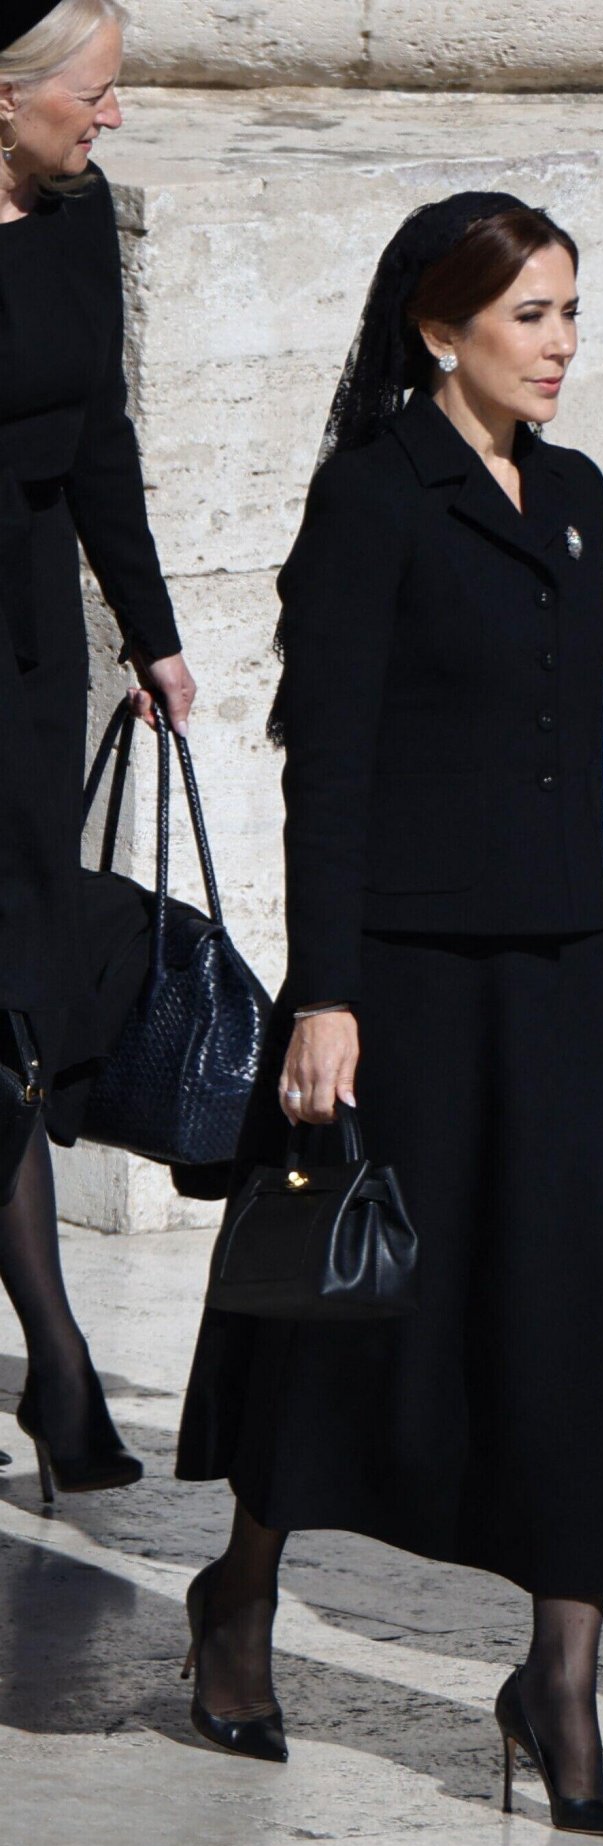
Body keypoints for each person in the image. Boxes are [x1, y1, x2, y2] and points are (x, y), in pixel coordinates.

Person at [175, 192, 603, 1836]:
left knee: (584, 1321)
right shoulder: (375, 501)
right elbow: (333, 768)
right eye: (532, 317)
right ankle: (240, 1597)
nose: (565, 347)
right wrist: (329, 994)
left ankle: (560, 1693)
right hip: (407, 983)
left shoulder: (577, 498)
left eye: (575, 312)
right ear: (443, 329)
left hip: (562, 975)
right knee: (336, 1311)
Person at [0, 0, 195, 1496]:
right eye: (95, 91)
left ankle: (56, 1371)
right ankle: (60, 1367)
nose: (110, 116)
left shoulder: (77, 220)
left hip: (27, 648)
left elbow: (107, 438)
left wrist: (152, 629)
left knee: (15, 996)